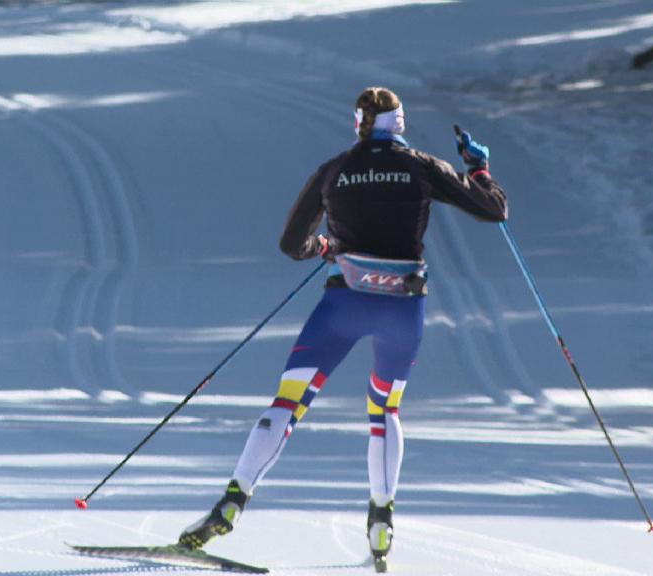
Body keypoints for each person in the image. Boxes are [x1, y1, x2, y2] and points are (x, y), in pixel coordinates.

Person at [178, 87, 507, 569]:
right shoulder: (422, 166)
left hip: (344, 303)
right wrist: (478, 169)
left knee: (288, 401)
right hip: (402, 307)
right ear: (399, 122)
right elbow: (494, 209)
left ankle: (234, 499)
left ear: (359, 123)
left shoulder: (333, 170)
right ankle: (380, 521)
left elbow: (292, 244)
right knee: (385, 409)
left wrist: (325, 247)